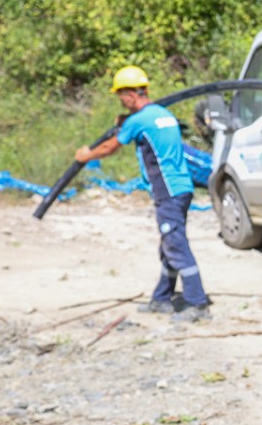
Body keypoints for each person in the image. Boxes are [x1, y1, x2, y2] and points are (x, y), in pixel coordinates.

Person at [75, 66, 213, 323]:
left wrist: (87, 155)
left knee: (175, 243)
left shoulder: (138, 120)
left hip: (167, 190)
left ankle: (197, 303)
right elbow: (143, 130)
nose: (121, 101)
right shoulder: (162, 114)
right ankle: (161, 299)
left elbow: (110, 147)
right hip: (182, 187)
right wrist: (125, 123)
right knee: (169, 242)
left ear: (130, 94)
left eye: (121, 96)